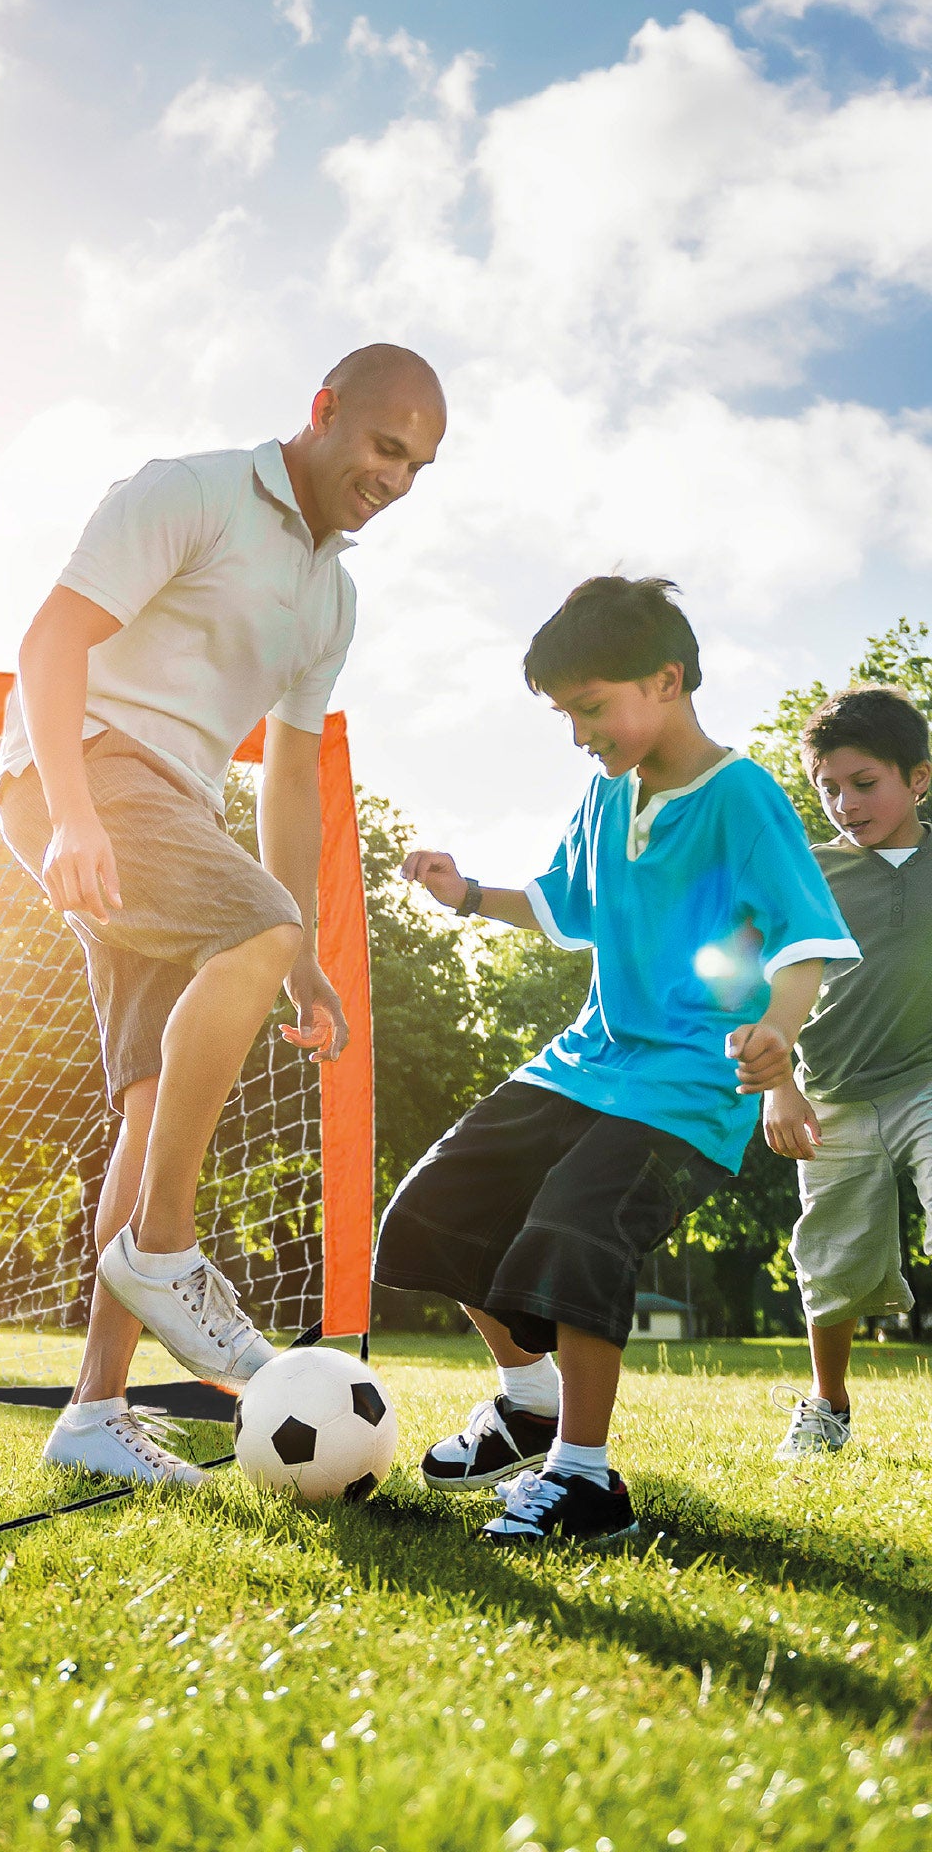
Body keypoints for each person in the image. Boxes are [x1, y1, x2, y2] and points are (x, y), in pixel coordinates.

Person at [0, 344, 447, 1485]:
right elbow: (49, 641)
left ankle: (93, 1414)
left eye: (418, 465)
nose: (394, 478)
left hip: (176, 810)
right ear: (323, 411)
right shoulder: (188, 492)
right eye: (385, 447)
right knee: (250, 931)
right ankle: (161, 1247)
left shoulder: (330, 597)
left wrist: (294, 955)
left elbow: (287, 779)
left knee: (151, 1096)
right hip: (86, 772)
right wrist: (72, 813)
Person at [376, 576, 857, 1548]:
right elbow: (567, 904)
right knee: (434, 1204)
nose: (577, 732)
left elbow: (803, 937)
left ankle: (584, 1477)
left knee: (574, 1227)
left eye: (589, 707)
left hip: (685, 1083)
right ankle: (528, 1402)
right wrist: (466, 893)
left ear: (666, 679)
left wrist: (778, 1027)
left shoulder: (740, 797)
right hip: (585, 1060)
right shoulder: (603, 793)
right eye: (564, 713)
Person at [760, 686, 932, 1460]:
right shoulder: (808, 875)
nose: (844, 803)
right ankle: (828, 1404)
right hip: (830, 1097)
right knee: (831, 1264)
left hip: (925, 1081)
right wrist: (779, 1085)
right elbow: (751, 990)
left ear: (919, 778)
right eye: (828, 787)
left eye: (864, 784)